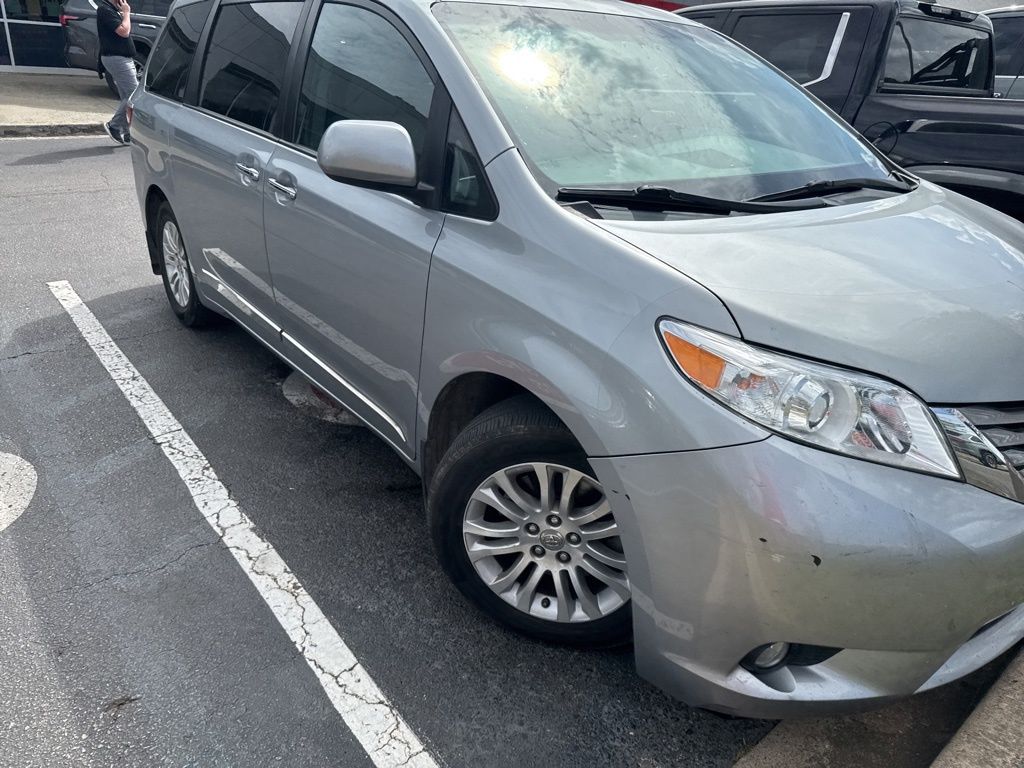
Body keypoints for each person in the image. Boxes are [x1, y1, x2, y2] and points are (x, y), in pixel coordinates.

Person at [96, 0, 137, 145]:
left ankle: (127, 133)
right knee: (134, 96)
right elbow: (124, 31)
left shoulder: (111, 10)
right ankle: (114, 126)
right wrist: (126, 12)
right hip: (117, 58)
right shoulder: (105, 10)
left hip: (121, 58)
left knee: (127, 97)